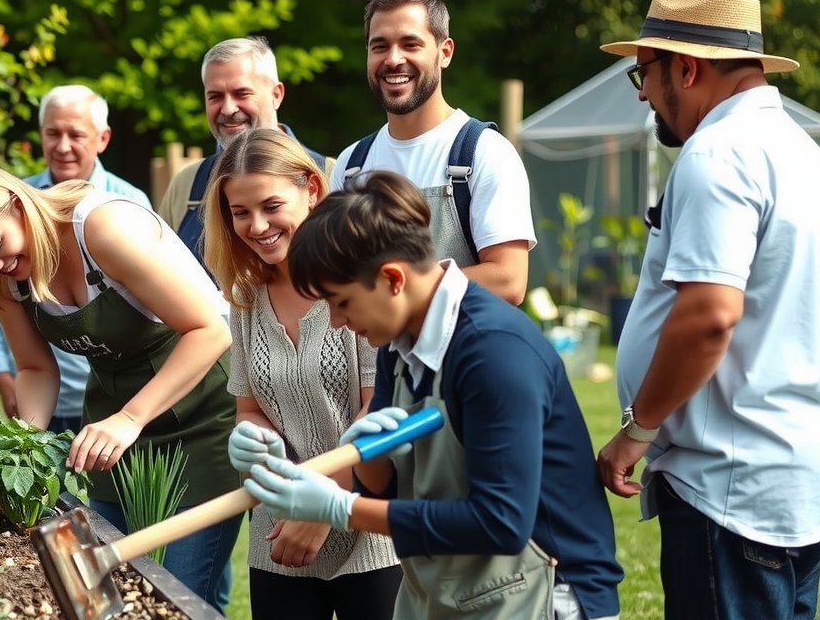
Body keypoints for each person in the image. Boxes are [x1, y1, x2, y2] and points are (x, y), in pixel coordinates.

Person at [237, 171, 622, 619]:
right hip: (454, 590)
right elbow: (385, 486)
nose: (339, 322)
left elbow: (498, 524)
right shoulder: (398, 343)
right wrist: (363, 451)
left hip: (546, 592)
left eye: (341, 302)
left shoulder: (493, 353)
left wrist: (340, 508)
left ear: (393, 279)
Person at [0, 161, 240, 611]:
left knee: (175, 597)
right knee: (96, 593)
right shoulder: (5, 278)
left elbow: (211, 330)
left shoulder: (103, 229)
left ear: (17, 204)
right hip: (112, 431)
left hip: (200, 419)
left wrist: (129, 418)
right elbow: (35, 369)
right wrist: (18, 450)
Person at [594, 0, 820, 618]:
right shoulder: (801, 152)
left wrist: (636, 431)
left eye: (644, 72)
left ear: (685, 69)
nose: (642, 92)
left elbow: (709, 317)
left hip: (727, 484)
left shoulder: (717, 152)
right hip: (788, 479)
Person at [203, 129, 402, 619]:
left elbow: (379, 408)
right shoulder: (245, 298)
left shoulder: (359, 278)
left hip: (366, 525)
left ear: (312, 189)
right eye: (240, 212)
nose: (257, 225)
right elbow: (250, 408)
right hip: (279, 527)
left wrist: (324, 505)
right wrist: (253, 438)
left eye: (271, 205)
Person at [330, 0, 534, 305]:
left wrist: (397, 286)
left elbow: (508, 281)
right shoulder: (350, 165)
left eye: (410, 44)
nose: (393, 59)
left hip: (460, 355)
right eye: (379, 46)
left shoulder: (484, 153)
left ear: (445, 52)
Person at [0, 84, 149, 432]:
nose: (63, 146)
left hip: (116, 405)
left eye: (76, 134)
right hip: (39, 397)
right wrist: (3, 377)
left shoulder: (129, 204)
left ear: (102, 138)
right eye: (53, 133)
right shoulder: (12, 205)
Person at [157, 37, 336, 259]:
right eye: (215, 96)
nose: (228, 108)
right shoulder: (186, 186)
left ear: (276, 95)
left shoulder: (332, 176)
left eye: (241, 93)